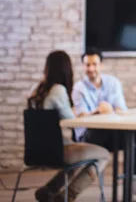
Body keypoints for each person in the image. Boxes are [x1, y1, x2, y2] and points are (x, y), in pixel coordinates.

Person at [71, 48, 136, 200]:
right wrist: (98, 111)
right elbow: (81, 117)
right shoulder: (79, 88)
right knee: (110, 132)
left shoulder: (113, 83)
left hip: (111, 132)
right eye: (87, 65)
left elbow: (121, 109)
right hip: (89, 135)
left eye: (94, 64)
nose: (90, 68)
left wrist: (110, 111)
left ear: (101, 65)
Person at [29, 50, 110, 202]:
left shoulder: (37, 88)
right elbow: (73, 122)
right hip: (56, 151)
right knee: (104, 155)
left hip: (35, 150)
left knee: (77, 156)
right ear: (66, 69)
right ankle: (67, 196)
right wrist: (96, 112)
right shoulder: (58, 90)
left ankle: (48, 191)